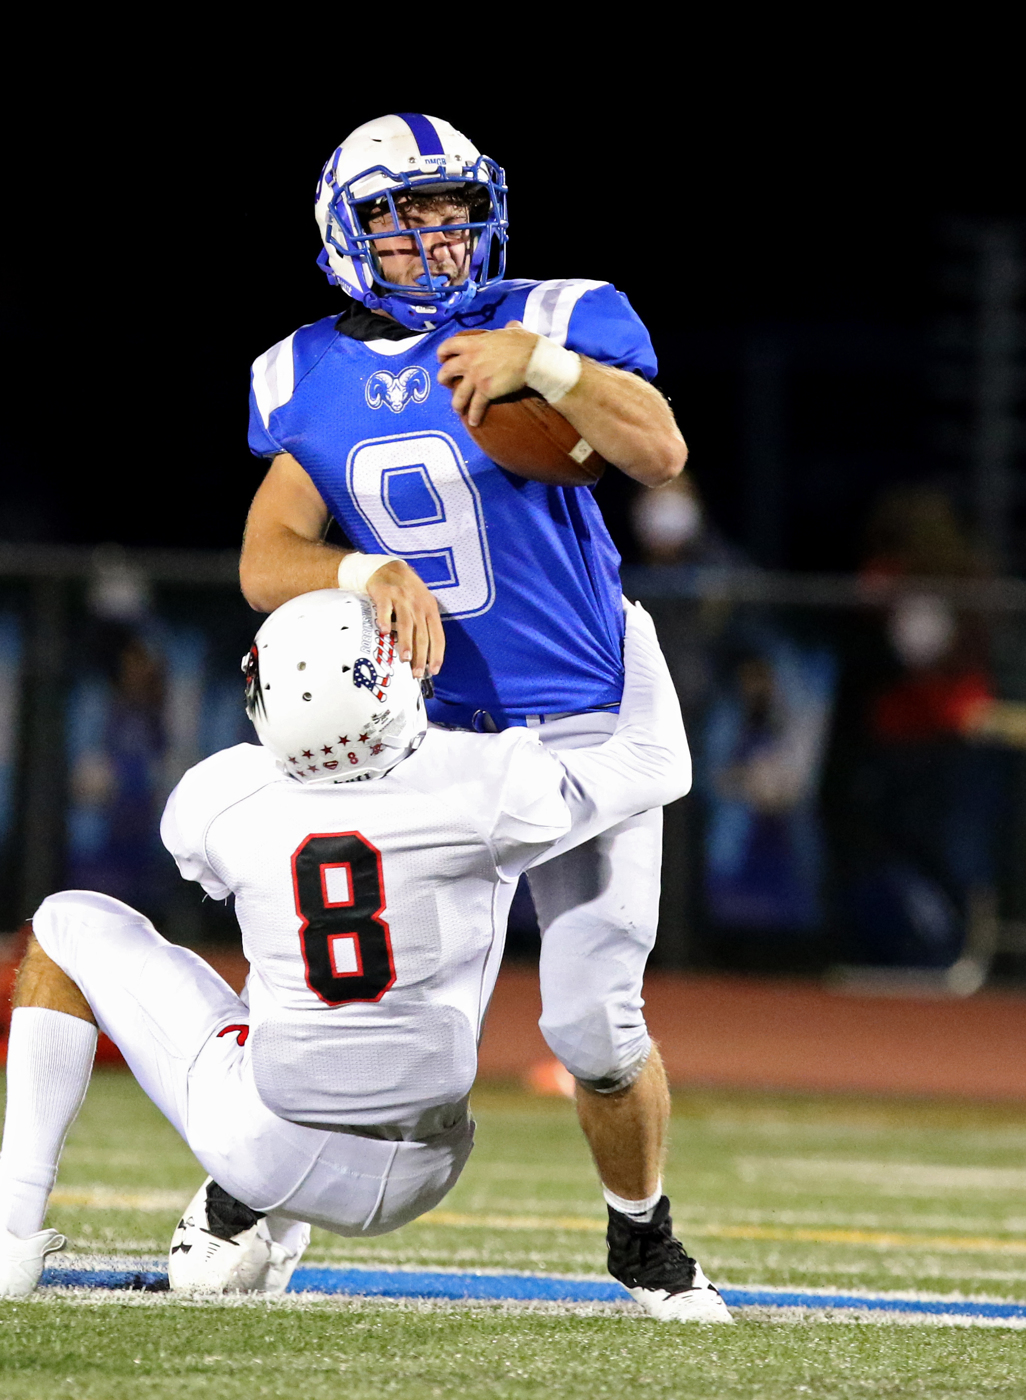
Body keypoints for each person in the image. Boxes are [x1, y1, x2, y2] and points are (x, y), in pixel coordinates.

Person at [0, 591, 729, 1321]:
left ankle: (11, 1229)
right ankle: (245, 1221)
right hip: (426, 1165)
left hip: (269, 1139)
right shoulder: (488, 781)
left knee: (69, 924)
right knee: (373, 951)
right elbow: (660, 763)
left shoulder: (223, 795)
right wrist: (621, 612)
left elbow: (205, 867)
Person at [239, 113, 705, 1311]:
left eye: (453, 208)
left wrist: (538, 367)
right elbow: (266, 553)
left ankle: (642, 1238)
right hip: (432, 734)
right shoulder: (306, 371)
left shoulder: (554, 314)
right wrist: (361, 572)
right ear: (351, 234)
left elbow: (657, 450)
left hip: (581, 711)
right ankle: (245, 1198)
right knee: (387, 1020)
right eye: (407, 215)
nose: (439, 235)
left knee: (595, 1021)